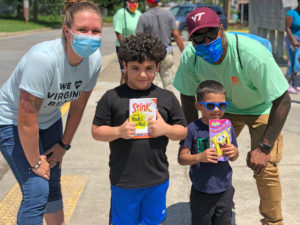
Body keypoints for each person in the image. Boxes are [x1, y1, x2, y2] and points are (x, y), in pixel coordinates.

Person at [173, 7, 291, 225]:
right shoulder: (191, 57)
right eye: (198, 37)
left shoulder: (251, 54)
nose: (206, 41)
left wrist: (264, 148)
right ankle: (214, 202)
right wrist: (192, 135)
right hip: (222, 110)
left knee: (265, 167)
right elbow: (187, 96)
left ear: (222, 29)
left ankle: (273, 222)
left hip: (260, 108)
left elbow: (282, 100)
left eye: (210, 34)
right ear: (191, 40)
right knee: (209, 157)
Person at [0, 1, 102, 224]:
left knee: (52, 181)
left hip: (49, 118)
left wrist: (64, 145)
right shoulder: (44, 59)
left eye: (96, 31)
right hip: (11, 120)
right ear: (67, 31)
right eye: (83, 30)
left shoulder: (94, 61)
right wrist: (36, 162)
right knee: (36, 189)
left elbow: (78, 105)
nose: (91, 36)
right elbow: (27, 122)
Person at [92, 32, 187, 225]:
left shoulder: (167, 98)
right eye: (135, 68)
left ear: (158, 67)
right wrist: (119, 131)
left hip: (156, 178)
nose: (143, 74)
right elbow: (97, 131)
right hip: (123, 180)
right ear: (124, 66)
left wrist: (165, 129)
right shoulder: (112, 98)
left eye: (149, 68)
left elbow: (182, 131)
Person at [178, 80, 239, 225]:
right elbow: (182, 158)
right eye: (210, 105)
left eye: (222, 105)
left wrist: (234, 152)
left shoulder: (227, 126)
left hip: (224, 189)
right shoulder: (192, 129)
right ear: (198, 106)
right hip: (201, 191)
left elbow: (235, 156)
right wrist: (200, 157)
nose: (217, 109)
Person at [136, 0, 184, 92]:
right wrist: (183, 51)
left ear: (147, 2)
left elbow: (139, 38)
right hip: (167, 52)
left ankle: (153, 103)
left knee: (152, 83)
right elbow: (176, 34)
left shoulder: (143, 17)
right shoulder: (169, 14)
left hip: (150, 55)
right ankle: (169, 104)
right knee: (169, 83)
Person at [113, 0, 141, 84]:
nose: (134, 4)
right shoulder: (121, 13)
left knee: (135, 72)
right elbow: (118, 33)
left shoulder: (139, 13)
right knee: (125, 73)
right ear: (126, 3)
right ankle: (122, 94)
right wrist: (125, 47)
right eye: (132, 2)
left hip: (136, 47)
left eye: (136, 2)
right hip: (123, 47)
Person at [285, 0, 300, 94]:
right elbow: (287, 28)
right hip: (292, 41)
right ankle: (287, 85)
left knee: (297, 64)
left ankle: (294, 84)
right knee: (291, 63)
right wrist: (294, 41)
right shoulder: (291, 13)